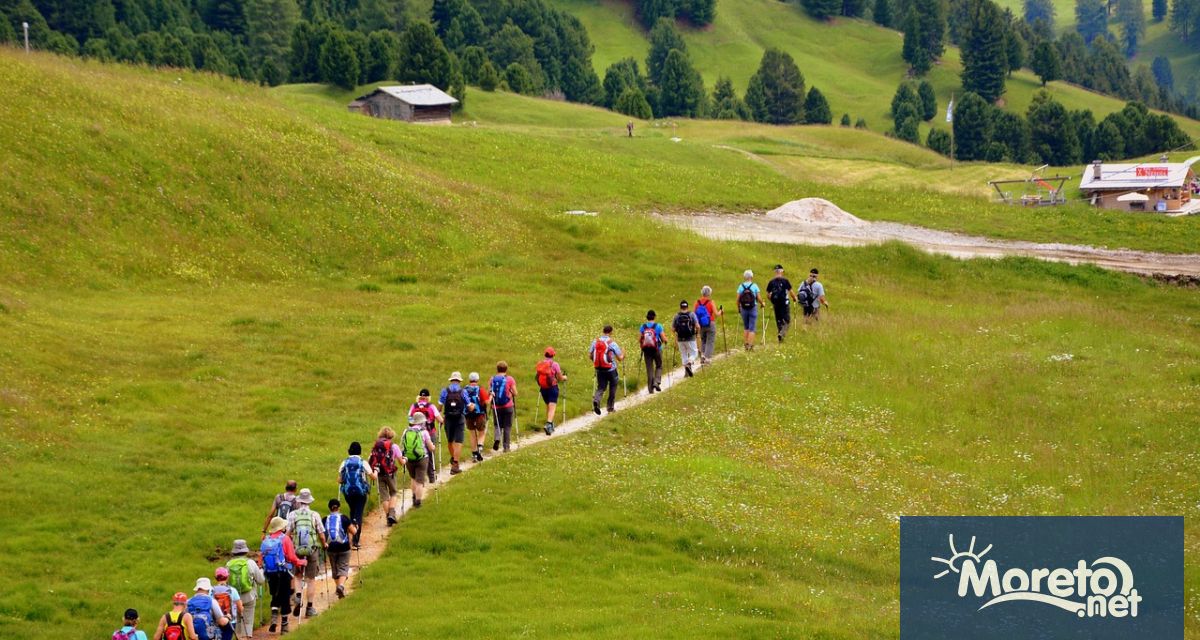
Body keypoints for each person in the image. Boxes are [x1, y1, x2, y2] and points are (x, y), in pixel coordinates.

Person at [286, 488, 327, 620]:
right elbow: (321, 533)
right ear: (309, 501)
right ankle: (309, 608)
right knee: (311, 579)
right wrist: (324, 543)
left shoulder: (292, 515)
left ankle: (298, 595)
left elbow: (287, 534)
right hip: (312, 550)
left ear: (299, 501)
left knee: (297, 576)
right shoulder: (314, 515)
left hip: (297, 550)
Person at [260, 516, 303, 635]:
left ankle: (274, 617)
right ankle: (284, 626)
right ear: (282, 527)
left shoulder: (266, 540)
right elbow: (291, 557)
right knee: (285, 597)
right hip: (283, 572)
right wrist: (301, 562)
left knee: (275, 594)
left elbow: (261, 557)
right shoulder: (285, 539)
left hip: (270, 572)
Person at [225, 539, 264, 640]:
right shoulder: (250, 563)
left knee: (237, 620)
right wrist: (261, 570)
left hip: (233, 598)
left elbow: (226, 582)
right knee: (247, 621)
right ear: (245, 550)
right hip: (249, 596)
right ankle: (246, 637)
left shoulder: (228, 564)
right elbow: (260, 580)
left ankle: (238, 637)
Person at [402, 413, 437, 507]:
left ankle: (413, 497)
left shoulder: (406, 431)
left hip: (409, 458)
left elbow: (403, 444)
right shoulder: (424, 432)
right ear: (422, 422)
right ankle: (418, 502)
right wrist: (433, 447)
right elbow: (430, 447)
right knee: (420, 481)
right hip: (422, 458)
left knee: (413, 478)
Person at [324, 498, 357, 599]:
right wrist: (356, 527)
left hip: (330, 548)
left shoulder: (324, 519)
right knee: (343, 567)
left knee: (334, 568)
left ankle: (337, 587)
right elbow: (354, 531)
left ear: (329, 508)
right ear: (339, 507)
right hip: (344, 547)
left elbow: (321, 533)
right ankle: (341, 586)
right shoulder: (344, 518)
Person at [589, 325, 625, 414]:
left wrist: (597, 362)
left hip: (599, 369)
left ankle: (596, 401)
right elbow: (620, 358)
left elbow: (590, 355)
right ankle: (610, 408)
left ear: (603, 331)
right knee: (613, 387)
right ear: (611, 332)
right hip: (611, 370)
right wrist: (624, 353)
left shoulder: (595, 342)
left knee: (601, 387)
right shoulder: (612, 343)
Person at [409, 389, 443, 482]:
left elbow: (410, 420)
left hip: (416, 434)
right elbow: (440, 420)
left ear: (419, 397)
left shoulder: (414, 406)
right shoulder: (431, 406)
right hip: (430, 433)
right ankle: (432, 477)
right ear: (428, 397)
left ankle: (419, 477)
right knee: (430, 454)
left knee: (420, 454)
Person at [343, 440, 376, 535]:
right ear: (360, 451)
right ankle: (356, 539)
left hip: (348, 493)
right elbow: (373, 477)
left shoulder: (345, 463)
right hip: (361, 492)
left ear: (349, 451)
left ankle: (351, 530)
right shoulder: (363, 462)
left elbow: (340, 480)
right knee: (358, 513)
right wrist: (376, 471)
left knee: (352, 510)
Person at [439, 372, 468, 475]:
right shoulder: (463, 391)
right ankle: (455, 464)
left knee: (450, 441)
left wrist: (439, 416)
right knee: (459, 441)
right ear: (459, 381)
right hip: (460, 418)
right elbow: (468, 405)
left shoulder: (444, 391)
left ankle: (453, 458)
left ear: (451, 380)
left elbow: (440, 405)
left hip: (448, 418)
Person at [534, 347, 567, 435]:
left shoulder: (540, 364)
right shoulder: (555, 364)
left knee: (548, 406)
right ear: (553, 355)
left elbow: (537, 376)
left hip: (543, 388)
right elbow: (559, 378)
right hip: (552, 388)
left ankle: (550, 425)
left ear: (545, 354)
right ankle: (548, 424)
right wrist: (564, 377)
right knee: (552, 407)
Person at [488, 362, 518, 451]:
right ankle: (506, 447)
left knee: (497, 424)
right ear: (506, 369)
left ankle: (497, 438)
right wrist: (511, 393)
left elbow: (489, 392)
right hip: (508, 406)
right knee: (507, 426)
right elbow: (515, 393)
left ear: (497, 369)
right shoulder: (510, 379)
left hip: (496, 407)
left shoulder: (492, 379)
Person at [765, 264, 797, 343]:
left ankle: (780, 337)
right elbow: (791, 292)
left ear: (775, 272)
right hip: (784, 303)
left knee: (778, 321)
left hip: (776, 304)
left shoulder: (771, 282)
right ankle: (782, 333)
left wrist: (772, 301)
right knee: (787, 321)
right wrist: (795, 298)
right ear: (782, 271)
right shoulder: (785, 281)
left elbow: (768, 295)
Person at [463, 372, 490, 462]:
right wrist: (491, 397)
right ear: (477, 380)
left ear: (469, 380)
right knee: (481, 432)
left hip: (468, 414)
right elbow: (486, 402)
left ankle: (474, 454)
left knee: (472, 434)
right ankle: (480, 447)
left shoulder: (464, 390)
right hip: (480, 414)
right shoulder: (480, 390)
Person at [736, 270, 765, 350]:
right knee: (752, 327)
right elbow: (758, 298)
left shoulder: (741, 286)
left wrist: (739, 308)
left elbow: (737, 299)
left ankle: (746, 344)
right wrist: (762, 304)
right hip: (753, 307)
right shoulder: (754, 286)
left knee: (746, 327)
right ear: (751, 277)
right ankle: (750, 345)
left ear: (744, 277)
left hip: (743, 308)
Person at [671, 300, 700, 377]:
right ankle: (689, 363)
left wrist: (675, 338)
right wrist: (697, 334)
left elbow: (673, 329)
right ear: (687, 307)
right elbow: (697, 326)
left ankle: (686, 373)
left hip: (680, 339)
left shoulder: (676, 316)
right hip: (690, 338)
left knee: (683, 354)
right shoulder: (692, 314)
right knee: (694, 353)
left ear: (680, 307)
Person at [637, 311, 664, 393]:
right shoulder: (658, 326)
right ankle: (656, 382)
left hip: (646, 350)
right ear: (654, 317)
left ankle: (650, 389)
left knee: (649, 369)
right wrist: (665, 341)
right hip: (657, 349)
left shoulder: (643, 326)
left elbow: (639, 339)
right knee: (659, 366)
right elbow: (663, 338)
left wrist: (642, 345)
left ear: (647, 317)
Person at [211, 568, 241, 640]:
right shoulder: (232, 590)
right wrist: (240, 612)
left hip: (215, 620)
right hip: (230, 620)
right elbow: (240, 606)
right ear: (227, 577)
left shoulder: (211, 590)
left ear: (216, 578)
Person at [695, 286, 721, 363]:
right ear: (709, 293)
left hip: (700, 324)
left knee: (703, 340)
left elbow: (694, 314)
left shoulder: (697, 302)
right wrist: (721, 311)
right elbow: (716, 314)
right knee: (710, 341)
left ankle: (703, 355)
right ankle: (707, 358)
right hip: (710, 323)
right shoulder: (711, 302)